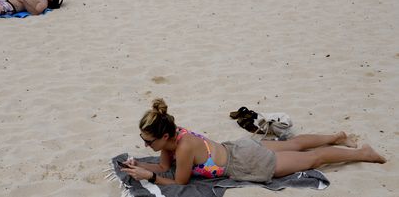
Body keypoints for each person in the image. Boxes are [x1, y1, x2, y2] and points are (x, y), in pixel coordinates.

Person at [121, 99, 386, 185]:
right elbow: (163, 166)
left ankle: (363, 152)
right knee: (294, 144)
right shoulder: (170, 138)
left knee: (312, 159)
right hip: (237, 147)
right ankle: (337, 136)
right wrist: (139, 169)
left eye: (148, 142)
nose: (146, 147)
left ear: (164, 136)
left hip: (246, 162)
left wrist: (151, 178)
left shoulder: (185, 145)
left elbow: (179, 183)